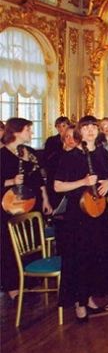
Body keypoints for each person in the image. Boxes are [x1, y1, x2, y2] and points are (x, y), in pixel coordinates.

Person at [54, 116, 108, 322]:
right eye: (86, 127)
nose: (90, 130)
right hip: (78, 216)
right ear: (79, 131)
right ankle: (79, 304)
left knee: (96, 256)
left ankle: (88, 297)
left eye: (93, 127)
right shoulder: (70, 155)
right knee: (80, 258)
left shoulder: (101, 152)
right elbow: (57, 186)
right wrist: (82, 181)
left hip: (98, 211)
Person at [1, 118, 53, 302]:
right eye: (28, 130)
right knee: (11, 247)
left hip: (31, 204)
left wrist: (45, 199)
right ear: (16, 132)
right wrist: (11, 181)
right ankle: (13, 289)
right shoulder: (2, 155)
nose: (31, 133)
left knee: (32, 243)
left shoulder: (28, 152)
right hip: (10, 207)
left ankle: (29, 285)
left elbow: (39, 178)